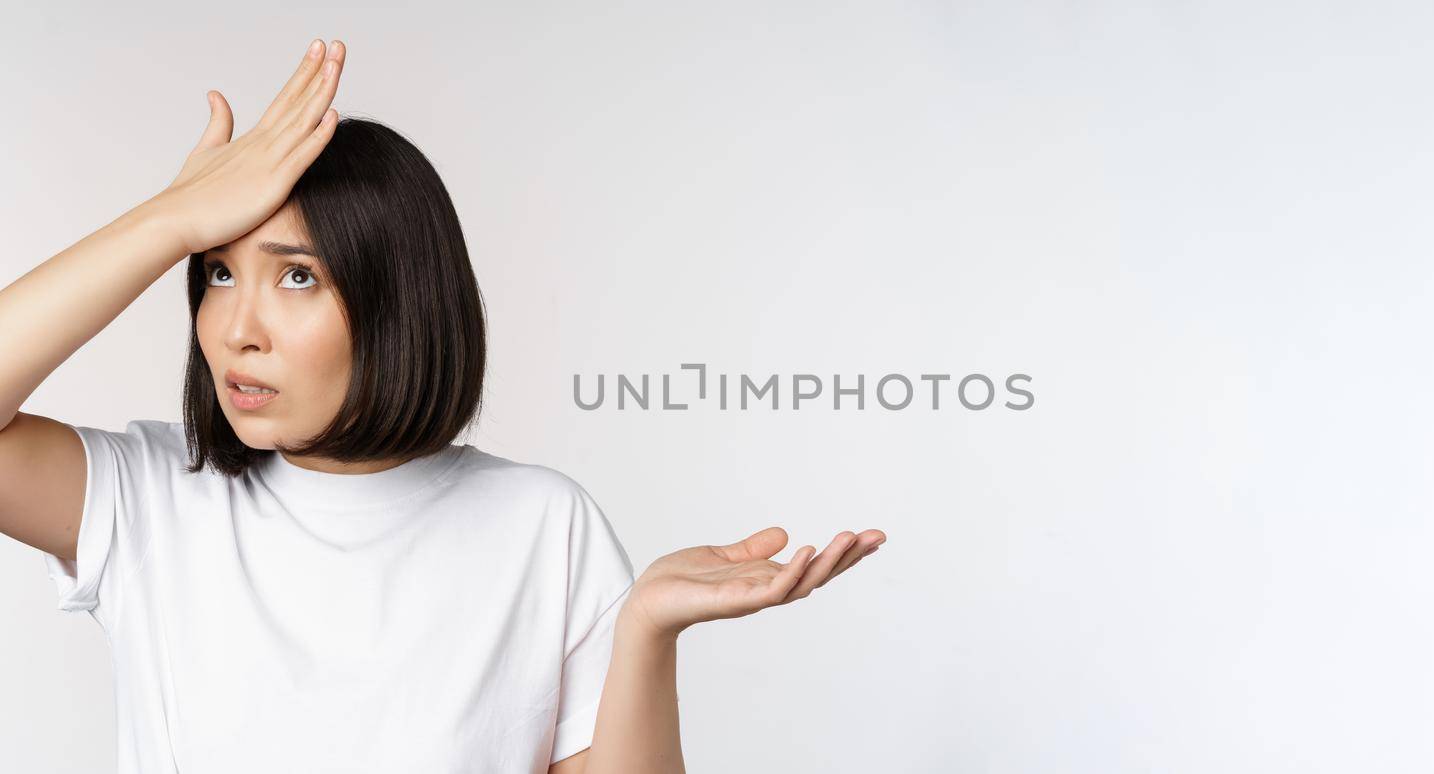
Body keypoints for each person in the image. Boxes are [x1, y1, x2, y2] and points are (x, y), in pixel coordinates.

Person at [0, 38, 886, 774]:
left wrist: (645, 632)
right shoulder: (149, 498)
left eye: (297, 275)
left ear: (397, 298)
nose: (236, 328)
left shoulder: (541, 526)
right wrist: (167, 222)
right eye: (218, 271)